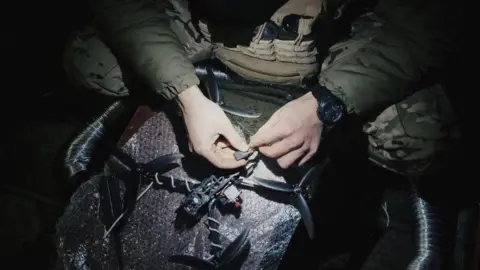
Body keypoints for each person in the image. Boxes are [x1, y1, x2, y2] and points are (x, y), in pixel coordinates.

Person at [64, 0, 460, 176]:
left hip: (331, 49)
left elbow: (424, 24)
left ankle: (332, 159)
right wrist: (186, 96)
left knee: (418, 138)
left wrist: (328, 103)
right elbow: (125, 7)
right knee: (90, 59)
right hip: (210, 35)